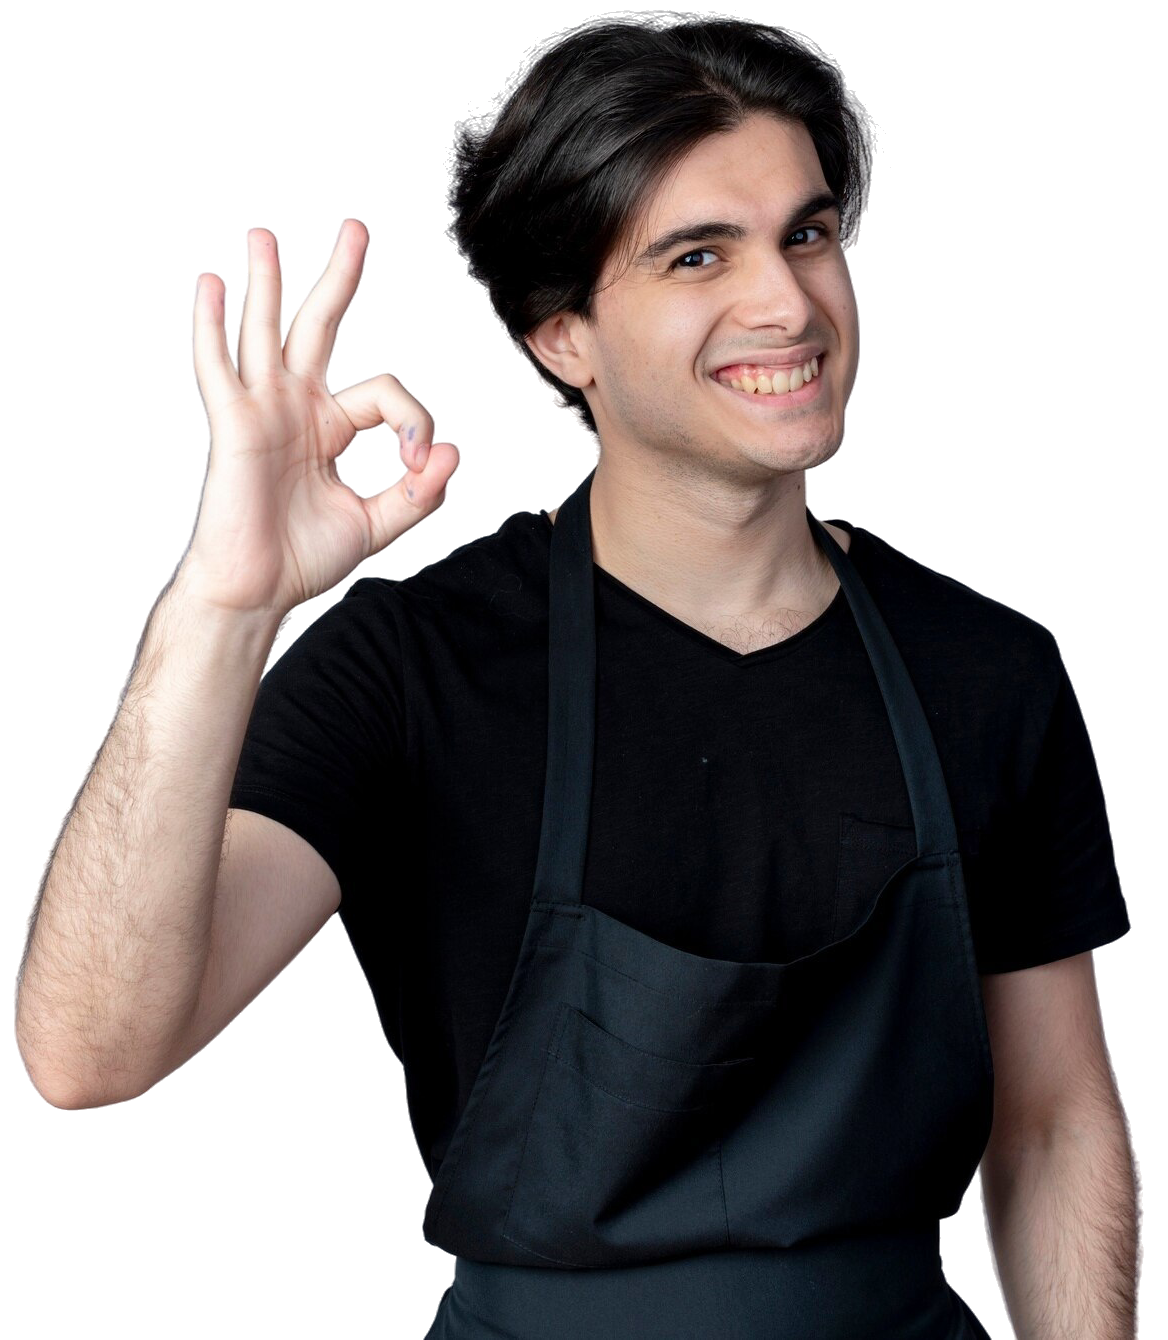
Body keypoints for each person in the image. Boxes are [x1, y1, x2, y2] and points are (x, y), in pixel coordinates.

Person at [15, 12, 1139, 1339]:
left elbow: (1054, 1123)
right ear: (561, 337)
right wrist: (224, 603)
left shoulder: (989, 669)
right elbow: (91, 1054)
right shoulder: (414, 668)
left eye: (808, 234)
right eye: (698, 255)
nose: (789, 304)